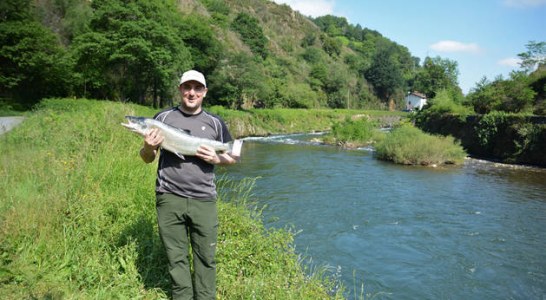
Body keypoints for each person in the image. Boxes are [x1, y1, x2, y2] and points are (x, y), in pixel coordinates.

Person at [139, 70, 239, 299]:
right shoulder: (161, 119)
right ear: (180, 90)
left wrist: (216, 159)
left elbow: (234, 156)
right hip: (168, 197)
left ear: (204, 92)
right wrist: (148, 147)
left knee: (206, 258)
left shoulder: (215, 122)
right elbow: (147, 158)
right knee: (176, 259)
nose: (191, 93)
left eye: (197, 88)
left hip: (204, 199)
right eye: (187, 87)